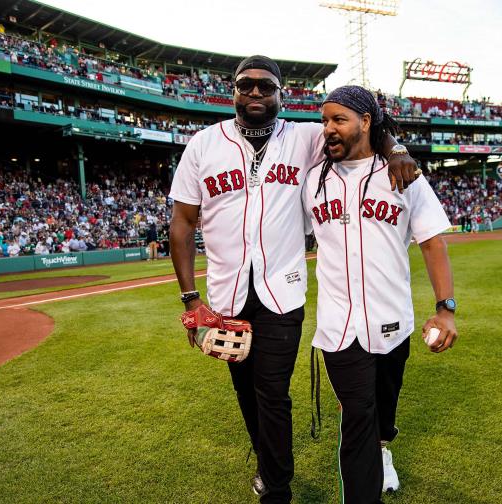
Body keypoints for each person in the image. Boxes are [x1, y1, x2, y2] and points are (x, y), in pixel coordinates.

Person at [169, 55, 418, 503]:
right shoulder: (203, 146)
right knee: (246, 393)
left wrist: (396, 149)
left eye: (267, 87)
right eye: (247, 85)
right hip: (226, 293)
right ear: (234, 91)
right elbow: (182, 224)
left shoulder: (304, 138)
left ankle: (276, 488)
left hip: (281, 291)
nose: (257, 94)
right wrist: (191, 299)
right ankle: (268, 464)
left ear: (282, 94)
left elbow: (366, 125)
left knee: (273, 393)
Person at [302, 85, 457, 503]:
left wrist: (445, 310)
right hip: (338, 327)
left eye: (339, 120)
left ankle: (383, 447)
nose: (328, 129)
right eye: (324, 121)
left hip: (392, 324)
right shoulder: (312, 180)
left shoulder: (403, 176)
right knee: (357, 418)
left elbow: (432, 243)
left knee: (382, 414)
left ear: (366, 122)